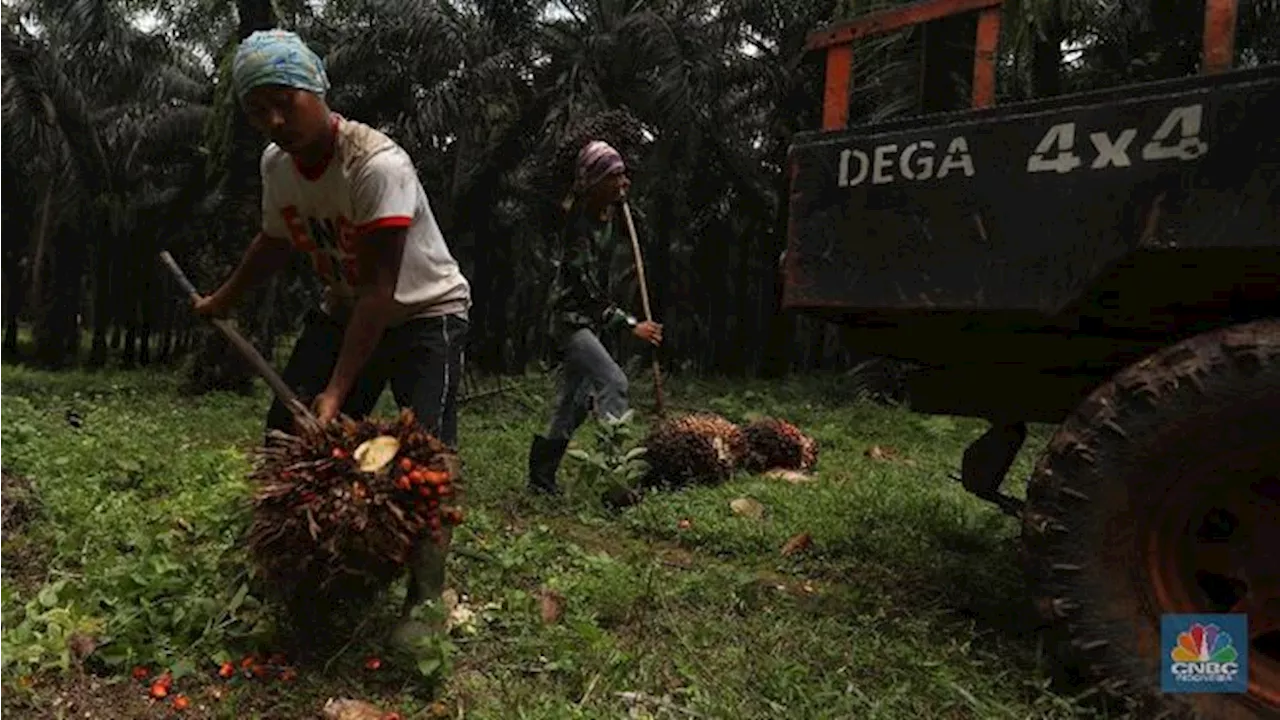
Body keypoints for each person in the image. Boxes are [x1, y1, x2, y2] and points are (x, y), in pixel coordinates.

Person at [191, 28, 470, 651]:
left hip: (426, 313)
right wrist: (222, 300)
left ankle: (426, 600)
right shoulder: (277, 166)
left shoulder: (377, 165)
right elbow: (273, 241)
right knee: (286, 434)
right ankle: (289, 572)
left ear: (316, 88)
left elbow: (380, 291)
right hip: (347, 307)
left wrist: (338, 391)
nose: (273, 119)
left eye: (283, 100)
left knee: (426, 457)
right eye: (256, 109)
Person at [526, 140, 663, 495]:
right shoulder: (577, 225)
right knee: (614, 383)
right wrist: (632, 325)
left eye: (624, 174)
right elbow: (586, 293)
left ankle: (540, 479)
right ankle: (615, 479)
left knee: (573, 401)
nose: (624, 182)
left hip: (589, 322)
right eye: (615, 176)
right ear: (597, 181)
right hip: (570, 322)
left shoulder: (612, 215)